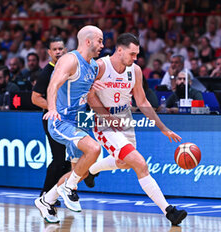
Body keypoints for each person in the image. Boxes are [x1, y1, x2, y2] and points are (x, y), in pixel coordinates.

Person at [85, 33, 187, 226]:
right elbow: (90, 97)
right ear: (120, 50)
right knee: (140, 163)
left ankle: (91, 169)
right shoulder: (100, 66)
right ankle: (169, 211)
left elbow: (141, 101)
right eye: (132, 54)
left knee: (124, 163)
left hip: (125, 118)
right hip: (104, 121)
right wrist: (108, 118)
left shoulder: (136, 71)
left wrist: (163, 128)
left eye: (137, 55)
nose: (135, 58)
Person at [34, 25, 104, 223]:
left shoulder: (94, 66)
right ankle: (67, 188)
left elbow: (88, 96)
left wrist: (105, 115)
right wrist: (52, 108)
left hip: (80, 120)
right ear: (88, 41)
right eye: (100, 40)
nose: (102, 45)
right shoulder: (70, 59)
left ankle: (46, 200)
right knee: (94, 149)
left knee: (78, 173)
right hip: (61, 120)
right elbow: (53, 84)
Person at [31, 37, 71, 202]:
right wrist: (54, 108)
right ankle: (45, 195)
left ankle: (58, 192)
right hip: (53, 119)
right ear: (49, 53)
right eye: (54, 49)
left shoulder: (69, 68)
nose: (58, 52)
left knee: (71, 159)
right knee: (59, 159)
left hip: (70, 119)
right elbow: (35, 98)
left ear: (65, 50)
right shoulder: (47, 72)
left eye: (60, 49)